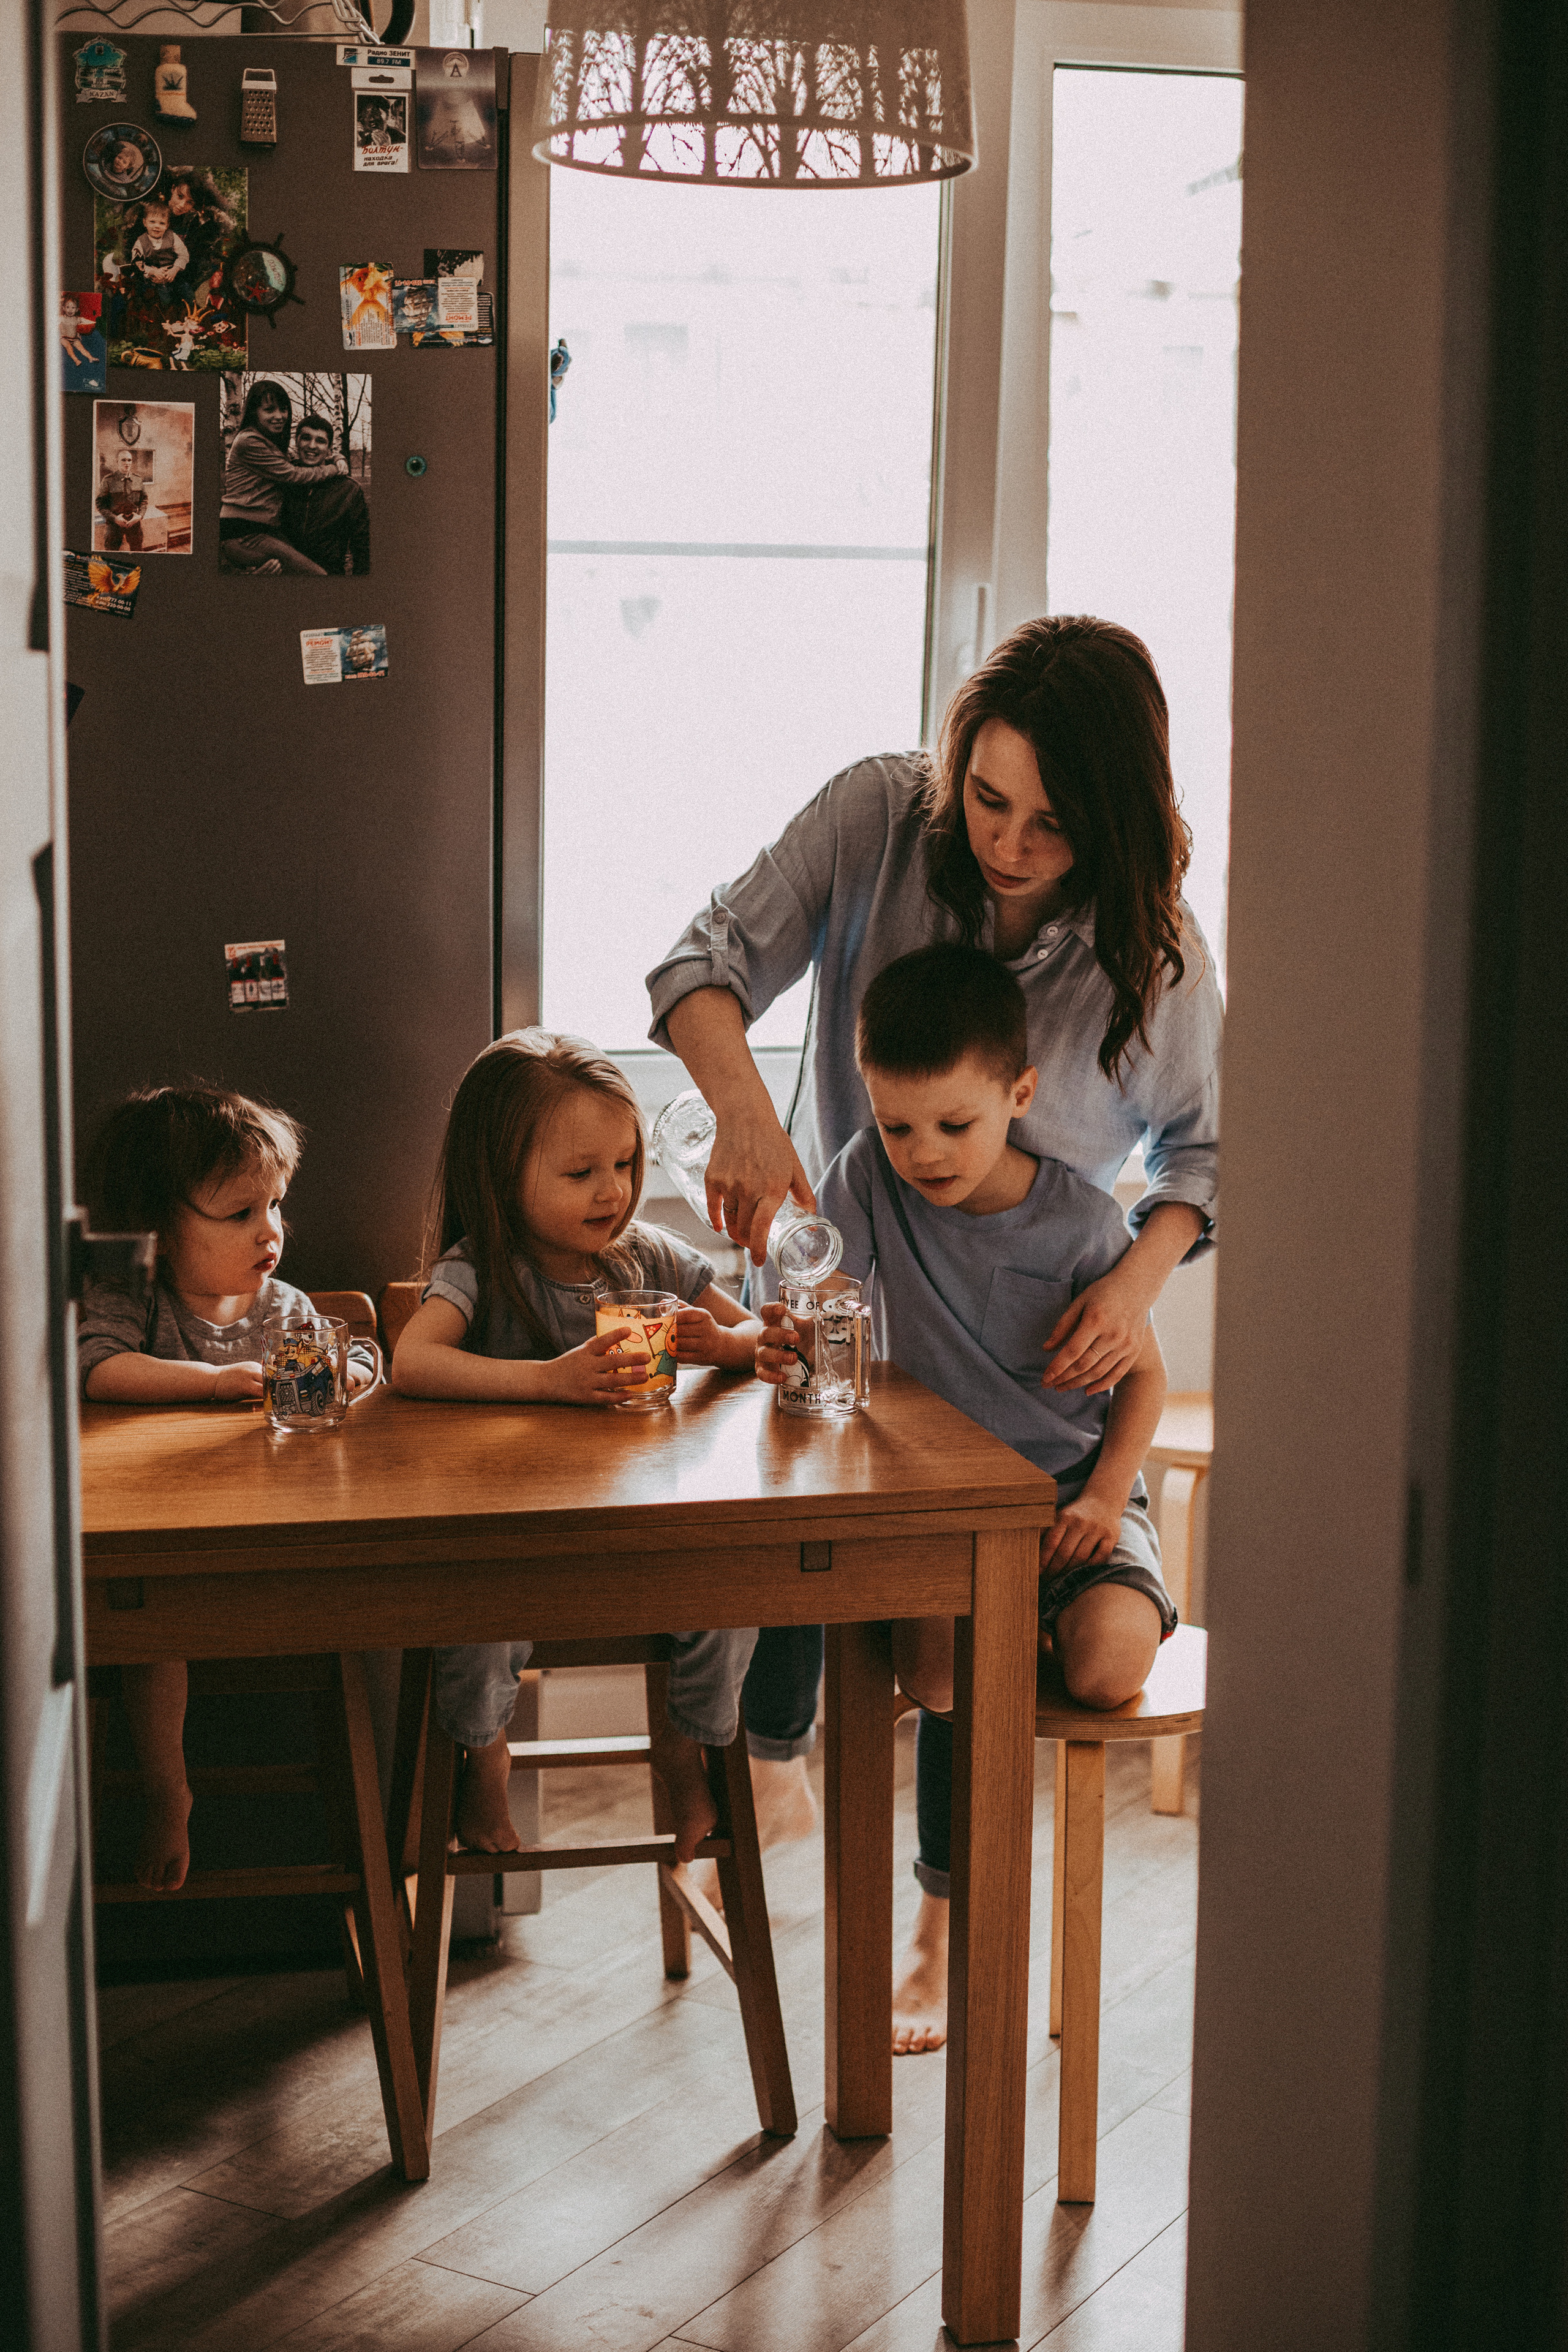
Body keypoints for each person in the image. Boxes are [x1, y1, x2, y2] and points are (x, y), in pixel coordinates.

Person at [649, 613, 1221, 2042]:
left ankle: (938, 1920)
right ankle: (752, 1788)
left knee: (991, 1637)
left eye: (1053, 819)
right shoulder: (871, 815)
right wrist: (737, 1111)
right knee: (801, 1531)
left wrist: (1131, 1282)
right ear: (951, 761)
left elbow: (1206, 1152)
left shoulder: (1149, 950)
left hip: (1047, 1375)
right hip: (887, 1358)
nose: (1010, 842)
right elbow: (699, 960)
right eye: (984, 798)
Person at [757, 944, 1174, 2044]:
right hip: (954, 1514)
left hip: (1081, 1502)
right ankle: (937, 1935)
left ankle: (1034, 1626)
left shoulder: (1083, 1223)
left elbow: (1147, 1381)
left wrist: (1101, 1504)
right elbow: (818, 1292)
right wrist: (796, 1325)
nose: (922, 1154)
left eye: (953, 1125)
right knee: (946, 1676)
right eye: (899, 1127)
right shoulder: (864, 1178)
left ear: (1019, 1098)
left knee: (1109, 1669)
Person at [390, 1030, 766, 1863]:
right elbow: (412, 1362)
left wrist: (728, 1347)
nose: (613, 1192)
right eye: (580, 1172)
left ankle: (686, 1746)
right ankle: (484, 1758)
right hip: (520, 1551)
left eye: (626, 1165)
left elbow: (758, 1343)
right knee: (475, 1625)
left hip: (644, 1542)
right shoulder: (482, 1268)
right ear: (501, 1175)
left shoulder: (650, 1258)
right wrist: (547, 1382)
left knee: (736, 1587)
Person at [76, 1085, 312, 1892]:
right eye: (241, 1212)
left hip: (273, 1545)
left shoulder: (286, 1309)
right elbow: (98, 1369)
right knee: (153, 1631)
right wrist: (215, 1385)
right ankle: (167, 1789)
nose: (270, 1229)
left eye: (276, 1204)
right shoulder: (132, 1300)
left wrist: (344, 1375)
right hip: (171, 1552)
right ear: (157, 1226)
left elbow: (344, 1370)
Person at [219, 380, 345, 574]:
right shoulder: (249, 440)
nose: (279, 417)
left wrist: (335, 456)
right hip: (244, 534)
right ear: (254, 412)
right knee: (317, 575)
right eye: (270, 410)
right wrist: (334, 469)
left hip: (263, 531)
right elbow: (293, 474)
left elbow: (296, 459)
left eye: (284, 409)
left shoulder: (268, 442)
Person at [279, 413, 369, 575]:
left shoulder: (348, 490)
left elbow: (363, 548)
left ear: (329, 449)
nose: (312, 446)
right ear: (296, 442)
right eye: (306, 438)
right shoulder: (281, 481)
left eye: (320, 441)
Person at [95, 448, 146, 552]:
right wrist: (114, 518)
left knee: (137, 550)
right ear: (117, 462)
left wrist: (140, 516)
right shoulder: (108, 480)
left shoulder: (138, 479)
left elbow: (144, 500)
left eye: (129, 460)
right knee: (112, 551)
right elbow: (100, 504)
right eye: (123, 460)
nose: (127, 463)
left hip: (134, 523)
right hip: (115, 524)